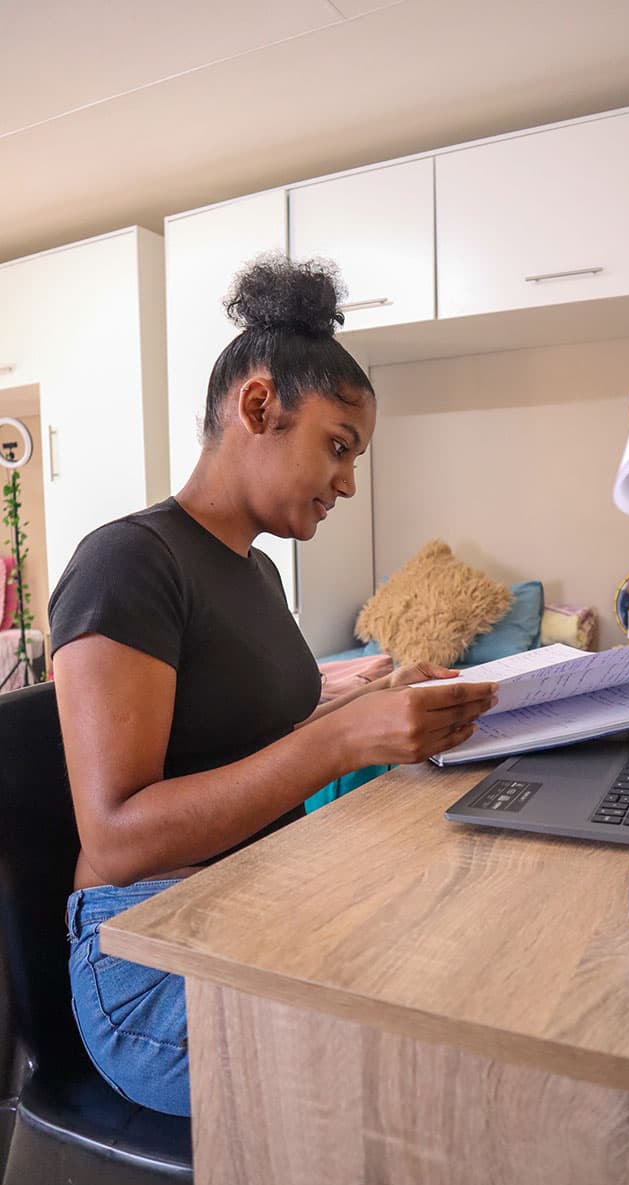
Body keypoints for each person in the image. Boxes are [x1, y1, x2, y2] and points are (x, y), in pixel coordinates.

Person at [48, 254, 498, 1117]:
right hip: (149, 954)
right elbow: (116, 838)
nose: (348, 482)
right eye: (338, 446)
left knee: (468, 960)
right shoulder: (128, 563)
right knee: (436, 1064)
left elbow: (250, 728)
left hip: (257, 899)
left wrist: (382, 698)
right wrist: (335, 739)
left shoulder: (255, 574)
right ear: (259, 407)